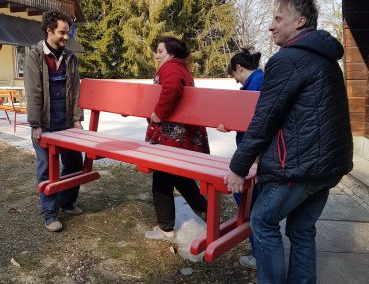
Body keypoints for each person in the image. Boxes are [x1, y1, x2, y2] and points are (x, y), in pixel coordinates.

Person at [224, 0, 353, 282]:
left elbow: (265, 119)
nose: (271, 25)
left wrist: (238, 167)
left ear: (300, 22)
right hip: (328, 165)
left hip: (300, 166)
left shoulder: (288, 59)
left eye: (278, 18)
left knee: (262, 220)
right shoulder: (326, 59)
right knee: (301, 230)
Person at [144, 36, 209, 241]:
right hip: (185, 137)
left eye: (160, 51)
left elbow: (171, 88)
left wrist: (159, 113)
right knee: (178, 175)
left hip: (172, 136)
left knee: (162, 177)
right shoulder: (181, 67)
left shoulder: (170, 68)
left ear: (171, 53)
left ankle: (166, 228)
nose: (157, 55)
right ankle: (203, 208)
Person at [25, 10, 84, 232]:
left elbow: (76, 90)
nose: (65, 37)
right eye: (61, 32)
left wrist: (77, 119)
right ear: (48, 30)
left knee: (75, 164)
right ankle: (50, 213)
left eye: (67, 33)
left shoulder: (70, 57)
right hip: (46, 123)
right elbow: (34, 92)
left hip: (67, 122)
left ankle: (66, 203)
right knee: (47, 169)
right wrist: (35, 124)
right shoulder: (34, 56)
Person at [218, 48, 264, 269]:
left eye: (234, 75)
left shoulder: (255, 84)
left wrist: (254, 156)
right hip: (253, 152)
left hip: (253, 154)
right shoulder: (259, 79)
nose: (236, 81)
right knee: (250, 202)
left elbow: (256, 121)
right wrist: (230, 124)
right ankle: (260, 251)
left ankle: (259, 254)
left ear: (239, 68)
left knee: (249, 202)